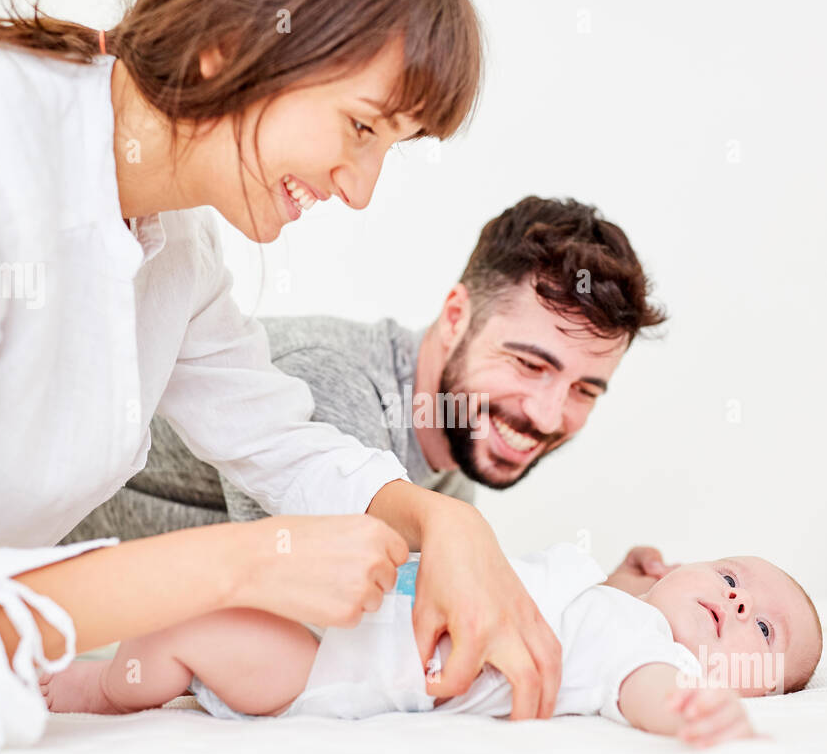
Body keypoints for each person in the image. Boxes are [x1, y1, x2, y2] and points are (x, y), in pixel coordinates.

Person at [0, 0, 569, 752]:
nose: (360, 190)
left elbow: (276, 439)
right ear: (224, 47)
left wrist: (440, 517)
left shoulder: (175, 243)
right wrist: (244, 563)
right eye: (361, 128)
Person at [61, 196, 669, 598]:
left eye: (584, 389)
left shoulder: (452, 452)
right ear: (456, 316)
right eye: (530, 364)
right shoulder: (336, 384)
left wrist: (606, 605)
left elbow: (451, 596)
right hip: (6, 601)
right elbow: (309, 632)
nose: (545, 415)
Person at [40, 541, 825, 749]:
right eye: (731, 575)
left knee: (189, 625)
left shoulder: (651, 652)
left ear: (754, 683)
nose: (735, 599)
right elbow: (589, 613)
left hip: (337, 666)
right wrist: (627, 577)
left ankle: (99, 690)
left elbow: (639, 681)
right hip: (352, 605)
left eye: (761, 627)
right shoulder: (612, 607)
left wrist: (686, 710)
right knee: (209, 584)